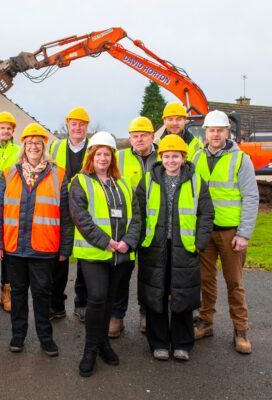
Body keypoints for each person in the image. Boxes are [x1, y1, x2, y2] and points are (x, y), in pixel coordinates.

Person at [0, 122, 71, 357]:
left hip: (44, 249)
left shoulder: (59, 174)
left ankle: (46, 339)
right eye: (29, 142)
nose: (34, 146)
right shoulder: (9, 173)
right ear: (23, 145)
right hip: (14, 247)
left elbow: (66, 216)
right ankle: (18, 336)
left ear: (44, 146)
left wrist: (65, 246)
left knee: (42, 295)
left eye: (38, 142)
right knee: (17, 294)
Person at [69, 131, 141, 377]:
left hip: (120, 254)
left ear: (113, 158)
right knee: (97, 298)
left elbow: (136, 218)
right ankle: (90, 349)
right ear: (91, 156)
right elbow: (81, 218)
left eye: (107, 154)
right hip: (94, 253)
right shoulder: (81, 181)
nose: (103, 158)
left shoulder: (123, 184)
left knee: (110, 299)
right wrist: (106, 242)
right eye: (98, 153)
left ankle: (103, 344)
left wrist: (128, 243)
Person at [136, 134, 214, 361]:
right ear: (161, 157)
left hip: (185, 247)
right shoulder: (148, 180)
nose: (171, 160)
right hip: (154, 246)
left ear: (183, 157)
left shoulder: (196, 181)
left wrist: (200, 242)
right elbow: (138, 212)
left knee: (183, 294)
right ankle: (158, 343)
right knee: (155, 294)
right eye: (167, 156)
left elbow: (206, 214)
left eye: (176, 156)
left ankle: (182, 343)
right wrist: (141, 240)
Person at [193, 110, 259, 354]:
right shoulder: (196, 156)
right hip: (204, 232)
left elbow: (251, 197)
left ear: (227, 133)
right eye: (212, 130)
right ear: (206, 132)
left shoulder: (241, 159)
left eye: (220, 130)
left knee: (235, 283)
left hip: (231, 233)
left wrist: (244, 234)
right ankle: (206, 322)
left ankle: (240, 331)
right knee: (205, 281)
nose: (216, 134)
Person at [114, 116, 159, 337]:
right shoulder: (118, 157)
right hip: (127, 225)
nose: (139, 139)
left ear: (153, 136)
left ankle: (147, 313)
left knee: (150, 273)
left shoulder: (164, 156)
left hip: (155, 225)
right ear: (130, 138)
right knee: (121, 272)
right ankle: (116, 315)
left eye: (143, 135)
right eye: (135, 136)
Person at [49, 106, 90, 322]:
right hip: (60, 208)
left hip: (87, 209)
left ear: (86, 127)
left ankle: (81, 303)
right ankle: (56, 304)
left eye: (81, 124)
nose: (77, 128)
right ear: (68, 125)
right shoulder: (55, 147)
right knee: (60, 256)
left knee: (85, 257)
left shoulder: (94, 148)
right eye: (74, 124)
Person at [0, 111, 20, 313]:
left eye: (9, 128)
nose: (6, 131)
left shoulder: (19, 150)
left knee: (8, 252)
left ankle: (6, 293)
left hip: (11, 207)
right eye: (2, 127)